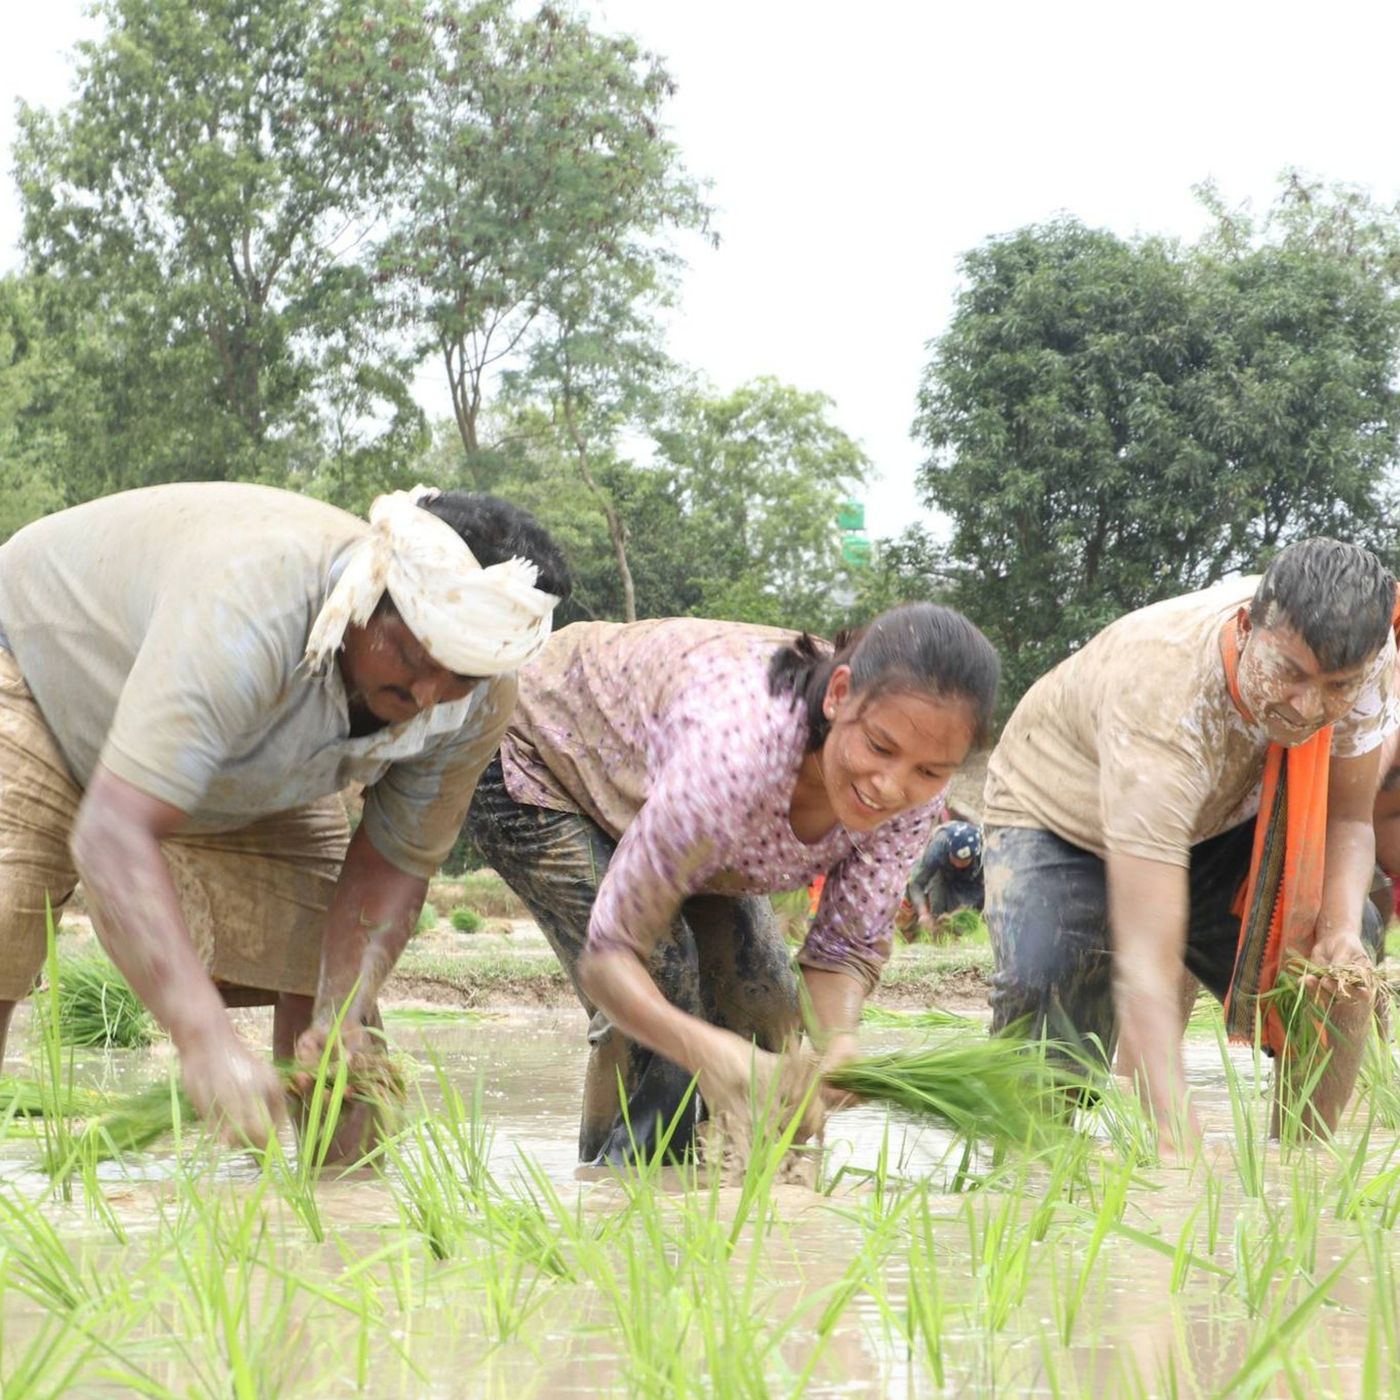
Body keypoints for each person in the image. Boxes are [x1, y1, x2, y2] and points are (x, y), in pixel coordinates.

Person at [0, 481, 567, 1149]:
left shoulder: (474, 700)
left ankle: (334, 1221)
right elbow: (111, 835)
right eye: (413, 655)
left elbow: (393, 865)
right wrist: (203, 1039)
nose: (426, 694)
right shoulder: (247, 611)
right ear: (365, 597)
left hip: (252, 753)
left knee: (339, 1036)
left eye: (461, 676)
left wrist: (340, 1014)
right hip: (41, 672)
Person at [466, 604, 999, 1164]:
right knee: (666, 996)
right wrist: (705, 1052)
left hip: (674, 808)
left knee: (767, 1015)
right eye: (880, 748)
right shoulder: (738, 752)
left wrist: (838, 1043)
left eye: (930, 771)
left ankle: (746, 1205)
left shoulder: (916, 797)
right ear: (839, 694)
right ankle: (623, 1198)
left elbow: (845, 949)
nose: (892, 787)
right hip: (540, 753)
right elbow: (611, 957)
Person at [982, 538, 1398, 1156]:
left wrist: (1335, 928)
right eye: (1289, 673)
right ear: (1244, 627)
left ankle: (1304, 1176)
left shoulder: (1369, 667)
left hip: (1216, 817)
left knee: (1337, 969)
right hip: (1060, 819)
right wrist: (1173, 1124)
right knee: (1050, 1008)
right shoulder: (1164, 695)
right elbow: (1148, 956)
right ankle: (1030, 1189)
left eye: (1334, 686)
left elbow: (1349, 820)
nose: (1308, 707)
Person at [906, 820, 984, 933]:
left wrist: (959, 912)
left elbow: (987, 889)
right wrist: (923, 914)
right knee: (936, 915)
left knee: (963, 923)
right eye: (955, 859)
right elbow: (916, 883)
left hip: (972, 879)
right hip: (942, 873)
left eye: (963, 861)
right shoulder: (937, 849)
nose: (958, 864)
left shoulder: (984, 855)